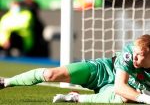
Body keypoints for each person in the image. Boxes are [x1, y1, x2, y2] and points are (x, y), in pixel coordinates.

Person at [0, 34, 150, 104]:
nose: (133, 57)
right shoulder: (130, 52)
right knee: (51, 74)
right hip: (102, 70)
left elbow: (120, 90)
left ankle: (75, 98)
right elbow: (120, 86)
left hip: (115, 89)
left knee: (126, 98)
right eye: (134, 53)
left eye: (139, 55)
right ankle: (6, 81)